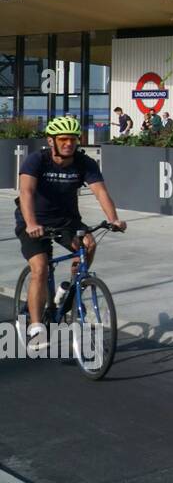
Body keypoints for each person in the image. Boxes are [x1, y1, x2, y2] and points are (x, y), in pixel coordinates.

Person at [14, 117, 127, 353]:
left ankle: (72, 287)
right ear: (51, 140)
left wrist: (113, 219)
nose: (68, 144)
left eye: (73, 139)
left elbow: (101, 192)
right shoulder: (37, 160)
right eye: (63, 139)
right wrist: (32, 222)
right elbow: (25, 192)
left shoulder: (84, 163)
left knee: (89, 244)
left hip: (66, 221)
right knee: (41, 268)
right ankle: (36, 327)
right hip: (34, 220)